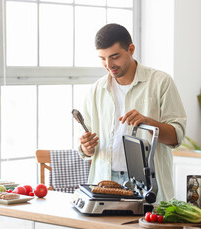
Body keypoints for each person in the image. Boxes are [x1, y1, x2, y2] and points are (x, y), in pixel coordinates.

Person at [77, 23, 186, 202]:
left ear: (131, 49)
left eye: (115, 57)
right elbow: (86, 150)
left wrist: (149, 123)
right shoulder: (96, 90)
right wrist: (86, 148)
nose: (109, 65)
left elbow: (177, 137)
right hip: (104, 184)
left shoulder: (161, 82)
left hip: (149, 184)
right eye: (102, 59)